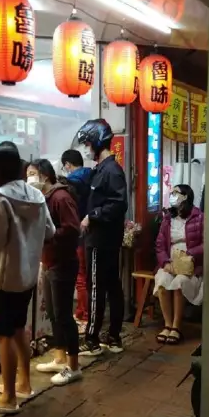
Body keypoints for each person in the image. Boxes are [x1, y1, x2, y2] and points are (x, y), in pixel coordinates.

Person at [0, 146, 54, 414]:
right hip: (28, 275)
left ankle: (8, 398)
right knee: (19, 328)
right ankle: (24, 383)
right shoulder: (36, 194)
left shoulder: (0, 198)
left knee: (4, 336)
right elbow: (50, 231)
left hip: (4, 279)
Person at [74, 119, 128, 357]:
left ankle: (92, 340)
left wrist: (92, 216)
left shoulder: (111, 171)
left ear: (97, 142)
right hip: (105, 239)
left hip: (100, 239)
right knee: (112, 286)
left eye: (87, 144)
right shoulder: (101, 169)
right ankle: (113, 337)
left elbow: (119, 204)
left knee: (96, 288)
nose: (86, 149)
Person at [27, 159, 83, 385]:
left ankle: (74, 366)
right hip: (49, 262)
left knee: (64, 315)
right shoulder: (43, 197)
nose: (29, 178)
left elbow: (72, 229)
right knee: (53, 312)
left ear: (45, 175)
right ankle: (60, 357)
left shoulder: (60, 197)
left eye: (32, 173)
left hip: (63, 263)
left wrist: (47, 235)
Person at [154, 184, 204, 345]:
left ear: (186, 197)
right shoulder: (168, 219)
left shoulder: (199, 217)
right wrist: (165, 262)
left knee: (179, 283)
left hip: (190, 264)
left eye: (176, 193)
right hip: (170, 262)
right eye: (172, 193)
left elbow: (206, 243)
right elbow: (160, 244)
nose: (172, 196)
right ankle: (167, 324)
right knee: (162, 282)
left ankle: (176, 327)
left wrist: (190, 255)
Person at [61, 148, 92, 325]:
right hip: (91, 230)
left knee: (80, 276)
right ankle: (84, 312)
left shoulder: (71, 182)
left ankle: (84, 314)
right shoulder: (91, 175)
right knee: (88, 275)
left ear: (67, 165)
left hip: (78, 231)